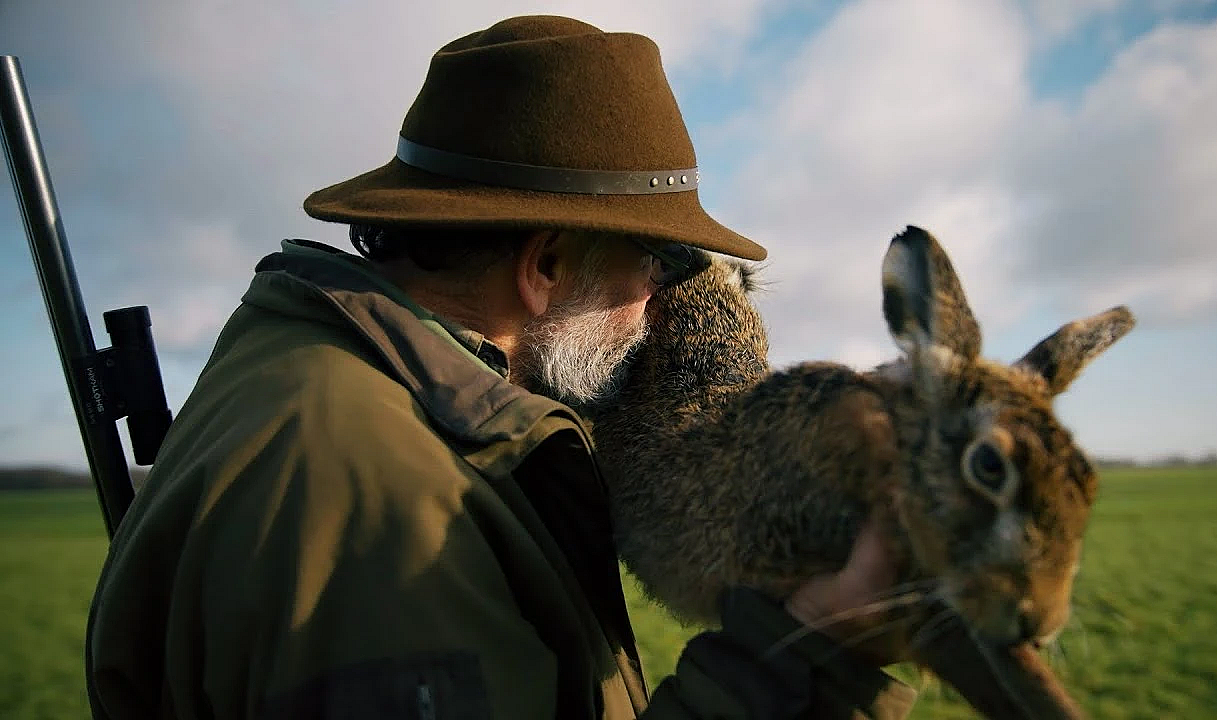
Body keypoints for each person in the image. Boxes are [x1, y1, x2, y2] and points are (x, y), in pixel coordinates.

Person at [86, 15, 917, 720]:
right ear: (546, 265)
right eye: (653, 260)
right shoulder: (381, 503)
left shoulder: (342, 385)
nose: (656, 298)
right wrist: (802, 659)